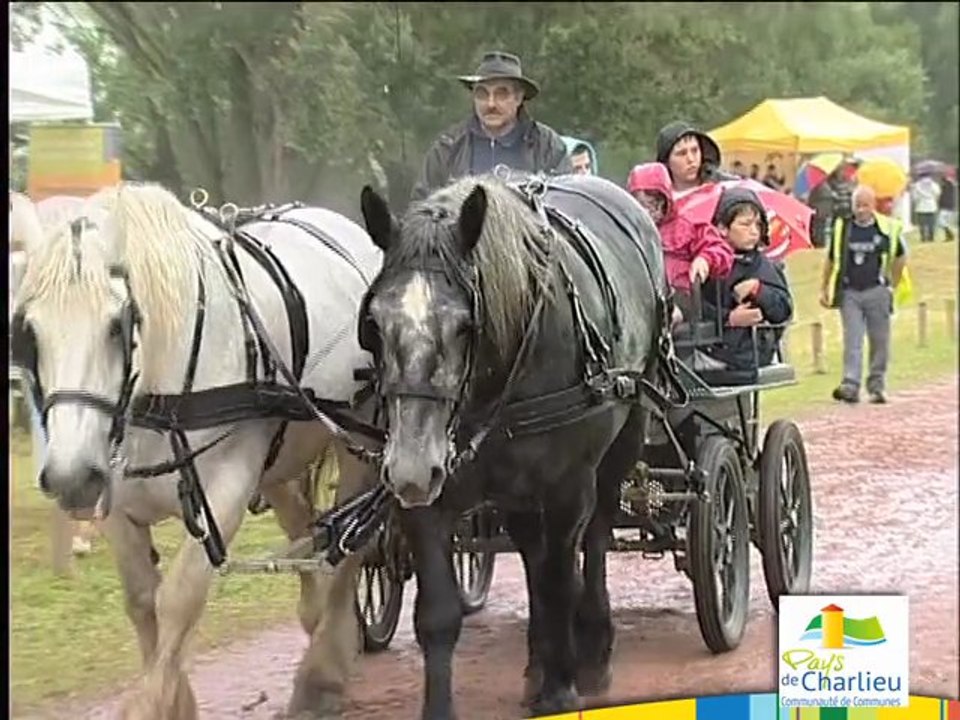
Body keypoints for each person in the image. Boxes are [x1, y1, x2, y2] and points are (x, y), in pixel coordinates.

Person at [410, 51, 571, 202]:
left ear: (519, 97)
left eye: (501, 94)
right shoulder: (448, 148)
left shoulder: (548, 147)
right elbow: (420, 207)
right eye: (482, 94)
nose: (491, 104)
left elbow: (567, 207)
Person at [819, 185, 907, 404]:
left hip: (877, 290)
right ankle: (850, 384)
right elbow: (831, 259)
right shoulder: (843, 228)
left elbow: (900, 257)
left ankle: (877, 386)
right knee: (853, 339)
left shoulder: (885, 229)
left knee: (879, 341)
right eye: (857, 205)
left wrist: (891, 285)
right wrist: (824, 287)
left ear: (873, 205)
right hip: (850, 292)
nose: (860, 210)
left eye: (865, 205)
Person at [701, 188, 793, 370]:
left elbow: (784, 311)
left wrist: (759, 290)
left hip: (755, 354)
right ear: (722, 228)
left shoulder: (764, 265)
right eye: (745, 224)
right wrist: (729, 318)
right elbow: (694, 308)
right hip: (710, 354)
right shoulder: (707, 264)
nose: (754, 232)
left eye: (758, 225)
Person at [626, 163, 733, 315]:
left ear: (666, 199)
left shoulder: (686, 225)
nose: (648, 211)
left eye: (653, 203)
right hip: (639, 295)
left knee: (670, 310)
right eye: (640, 204)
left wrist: (704, 259)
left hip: (680, 297)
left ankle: (669, 316)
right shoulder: (628, 230)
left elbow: (719, 248)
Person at [654, 120, 737, 200]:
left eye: (695, 150)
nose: (691, 159)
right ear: (666, 161)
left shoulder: (728, 186)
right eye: (682, 153)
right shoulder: (655, 199)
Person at [911, 173, 941, 243]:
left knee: (922, 224)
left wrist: (918, 201)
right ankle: (931, 237)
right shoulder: (934, 185)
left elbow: (915, 197)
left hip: (921, 206)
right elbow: (937, 193)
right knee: (931, 223)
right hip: (931, 206)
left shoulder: (917, 185)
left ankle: (923, 237)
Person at [938, 169, 957, 242]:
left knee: (941, 222)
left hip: (946, 205)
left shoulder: (949, 184)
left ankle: (950, 234)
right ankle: (948, 236)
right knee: (944, 222)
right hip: (949, 205)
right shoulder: (950, 184)